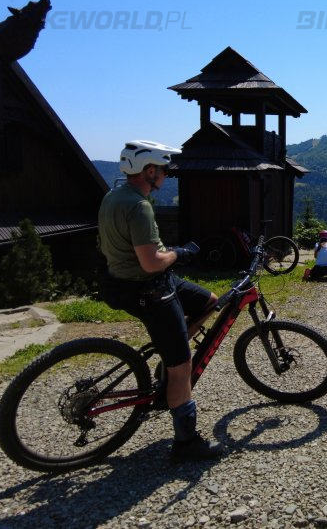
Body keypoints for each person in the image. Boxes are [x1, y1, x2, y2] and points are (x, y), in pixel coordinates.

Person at [98, 140, 223, 462]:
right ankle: (186, 443)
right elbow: (152, 262)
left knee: (210, 301)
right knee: (182, 367)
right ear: (150, 171)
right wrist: (180, 253)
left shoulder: (113, 196)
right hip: (147, 287)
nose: (166, 176)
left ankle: (170, 357)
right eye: (164, 170)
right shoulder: (138, 206)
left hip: (127, 280)